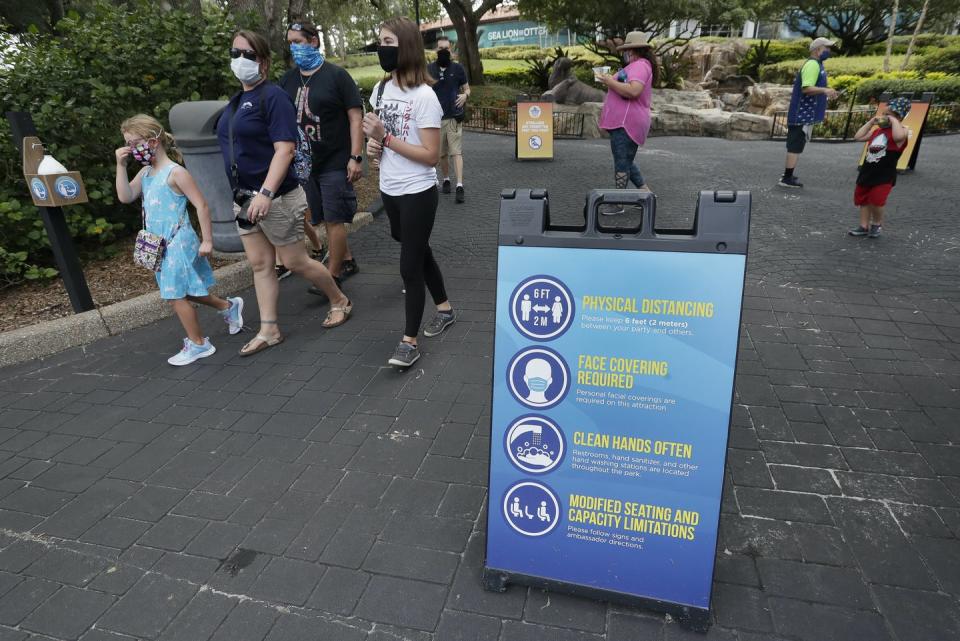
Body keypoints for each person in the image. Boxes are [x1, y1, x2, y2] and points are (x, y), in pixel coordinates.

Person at [217, 29, 351, 357]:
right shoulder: (235, 103)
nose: (239, 61)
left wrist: (265, 192)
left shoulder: (272, 97)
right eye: (235, 53)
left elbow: (285, 149)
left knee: (295, 260)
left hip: (276, 198)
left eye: (247, 55)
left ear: (262, 62)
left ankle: (339, 300)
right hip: (245, 200)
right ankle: (269, 329)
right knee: (261, 265)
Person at [363, 16, 456, 368]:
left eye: (388, 41)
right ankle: (444, 308)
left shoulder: (425, 96)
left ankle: (409, 341)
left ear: (406, 47)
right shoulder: (381, 90)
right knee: (417, 250)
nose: (381, 48)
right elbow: (380, 139)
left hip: (418, 190)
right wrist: (374, 146)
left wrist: (386, 138)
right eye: (380, 41)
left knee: (408, 266)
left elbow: (431, 156)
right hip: (390, 189)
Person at [115, 114, 244, 366]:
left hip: (178, 241)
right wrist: (120, 166)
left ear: (152, 141)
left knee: (175, 295)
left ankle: (198, 344)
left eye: (134, 143)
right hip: (158, 244)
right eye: (128, 144)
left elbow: (201, 205)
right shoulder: (146, 172)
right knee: (187, 289)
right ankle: (228, 306)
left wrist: (207, 240)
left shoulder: (176, 173)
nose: (130, 149)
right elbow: (126, 196)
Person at [280, 21, 363, 292]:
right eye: (290, 42)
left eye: (299, 42)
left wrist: (355, 156)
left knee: (333, 219)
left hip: (335, 161)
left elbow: (355, 118)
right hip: (304, 165)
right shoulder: (288, 80)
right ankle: (347, 259)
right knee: (322, 216)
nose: (294, 48)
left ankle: (333, 275)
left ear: (314, 41)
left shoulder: (337, 76)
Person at [597, 31, 657, 210]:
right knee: (627, 160)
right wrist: (608, 80)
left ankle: (618, 202)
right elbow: (624, 86)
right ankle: (646, 195)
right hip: (625, 122)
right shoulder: (637, 65)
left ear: (632, 50)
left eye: (627, 50)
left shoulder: (639, 66)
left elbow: (633, 91)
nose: (625, 53)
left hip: (626, 123)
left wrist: (609, 81)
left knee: (622, 161)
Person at [778, 37, 838, 188]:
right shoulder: (812, 65)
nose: (829, 51)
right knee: (795, 145)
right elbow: (807, 88)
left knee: (797, 144)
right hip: (801, 114)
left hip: (804, 114)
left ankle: (788, 174)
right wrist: (825, 90)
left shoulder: (817, 64)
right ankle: (787, 178)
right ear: (818, 50)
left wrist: (826, 92)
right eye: (827, 48)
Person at [849, 97, 911, 239]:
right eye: (884, 113)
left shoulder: (902, 131)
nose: (885, 117)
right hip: (868, 171)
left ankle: (876, 224)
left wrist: (894, 120)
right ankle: (863, 226)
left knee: (877, 200)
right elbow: (858, 137)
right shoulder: (877, 131)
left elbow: (897, 137)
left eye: (889, 114)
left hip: (884, 174)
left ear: (899, 117)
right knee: (863, 199)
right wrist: (871, 122)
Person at [427, 35, 470, 203]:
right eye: (440, 48)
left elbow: (467, 89)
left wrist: (465, 95)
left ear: (450, 50)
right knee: (442, 154)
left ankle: (459, 185)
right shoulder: (429, 69)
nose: (443, 51)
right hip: (435, 119)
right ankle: (446, 179)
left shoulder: (458, 69)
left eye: (446, 48)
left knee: (456, 152)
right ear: (436, 50)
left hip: (454, 117)